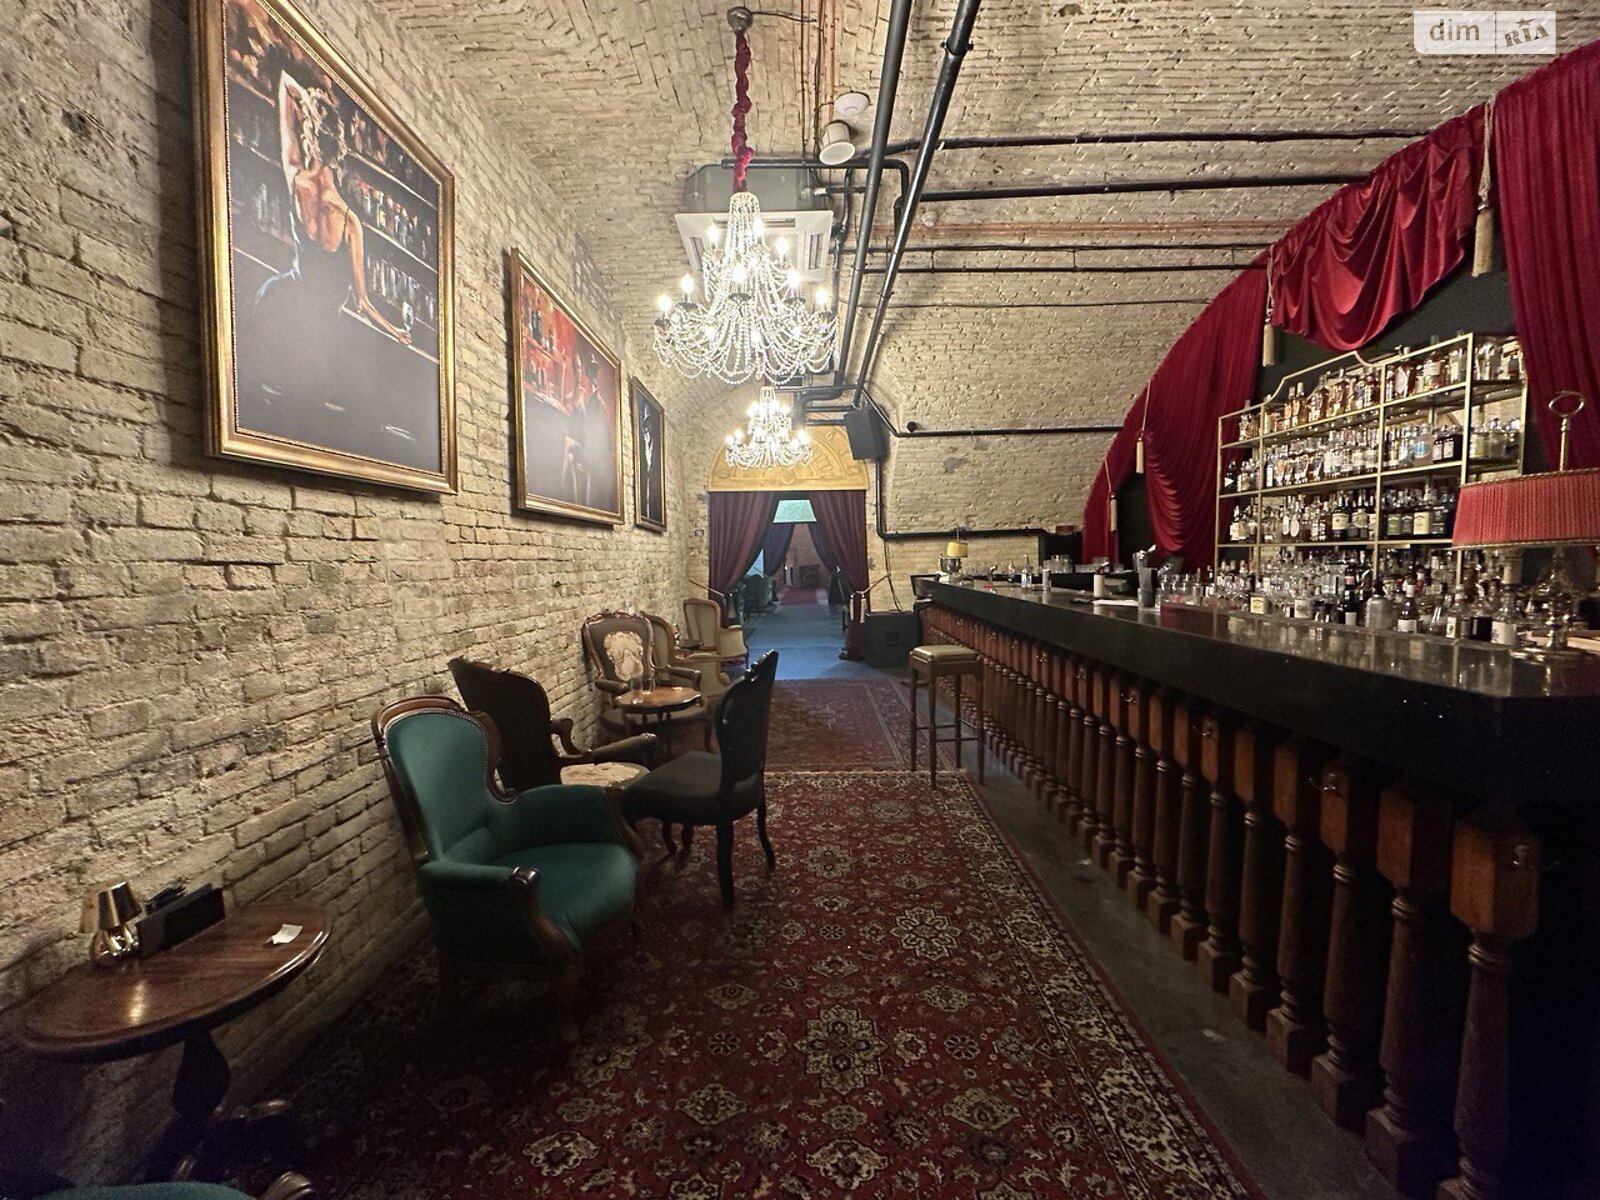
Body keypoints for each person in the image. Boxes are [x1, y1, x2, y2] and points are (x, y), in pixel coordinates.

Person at [244, 69, 409, 430]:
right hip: (320, 329)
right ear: (341, 154)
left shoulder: (296, 180)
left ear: (311, 139)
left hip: (279, 299)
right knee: (311, 413)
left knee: (265, 400)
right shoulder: (349, 220)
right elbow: (363, 303)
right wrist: (395, 330)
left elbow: (284, 83)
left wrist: (309, 102)